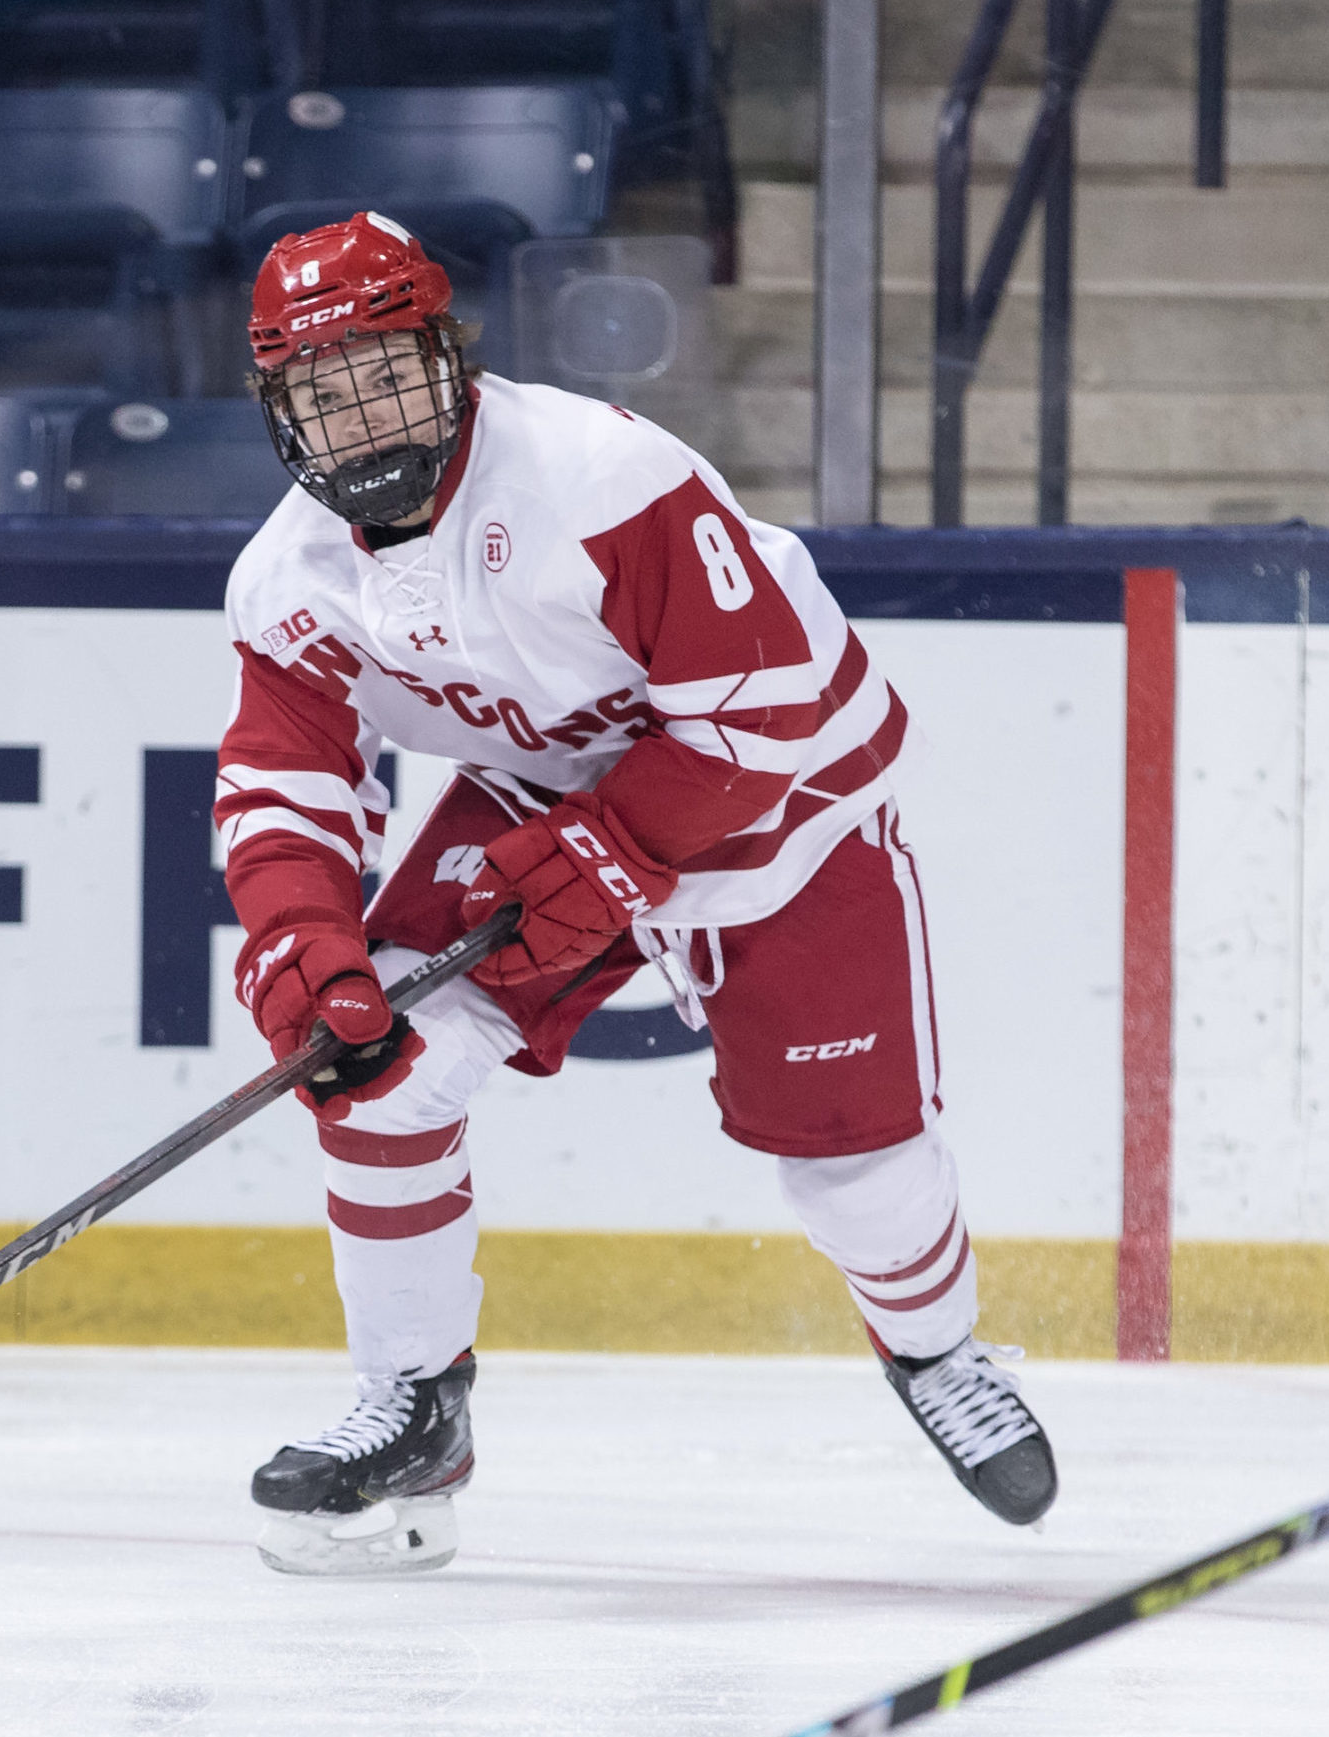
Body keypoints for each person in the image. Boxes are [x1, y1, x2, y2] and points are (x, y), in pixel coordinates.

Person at [212, 212, 1059, 1577]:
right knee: (375, 1072)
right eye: (322, 388)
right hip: (548, 783)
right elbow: (284, 787)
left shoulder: (599, 474)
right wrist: (305, 945)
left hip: (781, 789)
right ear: (279, 410)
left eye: (383, 369)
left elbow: (759, 710)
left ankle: (938, 1349)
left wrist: (612, 857)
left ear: (448, 356)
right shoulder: (288, 578)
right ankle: (416, 1404)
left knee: (853, 1165)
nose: (359, 412)